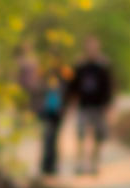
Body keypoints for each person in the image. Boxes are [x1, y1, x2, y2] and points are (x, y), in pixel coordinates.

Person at [67, 37, 116, 175]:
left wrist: (109, 105)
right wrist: (71, 103)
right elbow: (73, 85)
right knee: (81, 134)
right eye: (89, 46)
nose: (91, 49)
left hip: (99, 106)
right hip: (84, 105)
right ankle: (80, 164)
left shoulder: (103, 65)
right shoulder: (80, 65)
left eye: (94, 46)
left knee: (98, 136)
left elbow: (109, 86)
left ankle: (95, 164)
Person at [18, 42, 65, 176]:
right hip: (45, 109)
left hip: (57, 110)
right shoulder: (43, 73)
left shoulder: (64, 72)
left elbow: (68, 90)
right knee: (46, 137)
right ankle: (46, 165)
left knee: (53, 137)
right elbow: (34, 88)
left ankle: (52, 165)